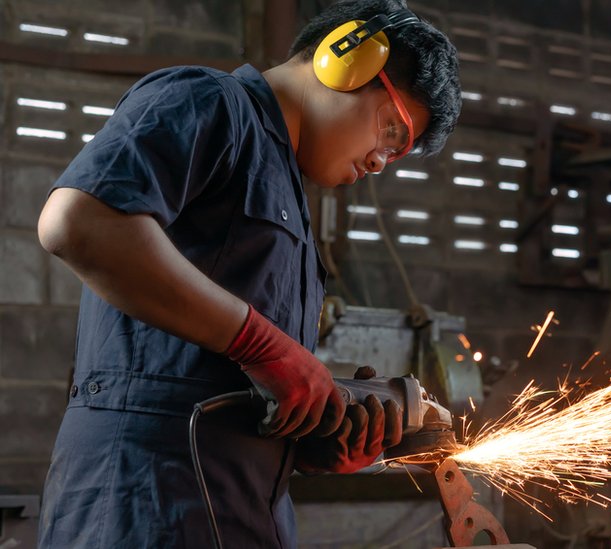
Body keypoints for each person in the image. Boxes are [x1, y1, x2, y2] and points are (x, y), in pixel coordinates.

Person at [34, 0, 461, 546]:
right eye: (393, 133)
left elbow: (222, 382)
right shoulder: (209, 101)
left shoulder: (289, 198)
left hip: (238, 509)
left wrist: (317, 440)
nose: (381, 160)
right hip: (144, 501)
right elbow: (77, 223)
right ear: (346, 59)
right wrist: (268, 348)